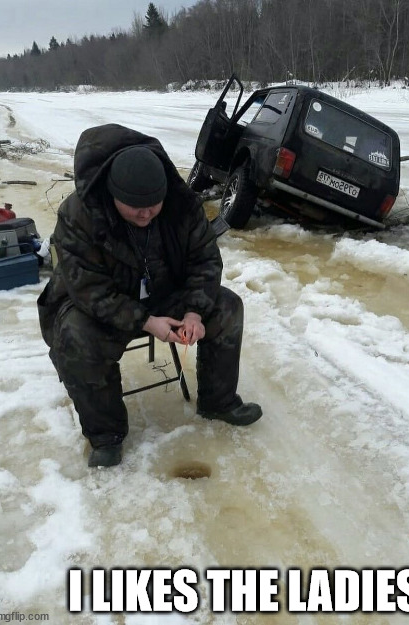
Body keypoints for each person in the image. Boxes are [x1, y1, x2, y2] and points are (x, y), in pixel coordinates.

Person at [37, 123, 262, 468]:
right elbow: (88, 290)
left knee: (228, 306)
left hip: (162, 292)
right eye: (134, 207)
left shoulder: (180, 203)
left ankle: (219, 402)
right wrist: (145, 321)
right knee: (75, 337)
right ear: (112, 194)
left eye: (153, 205)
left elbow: (204, 258)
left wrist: (194, 313)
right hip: (99, 305)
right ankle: (106, 435)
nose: (146, 213)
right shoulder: (78, 215)